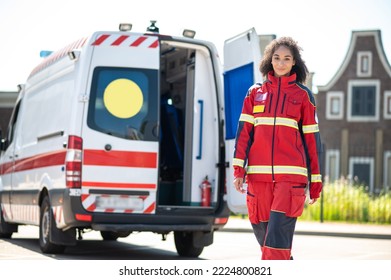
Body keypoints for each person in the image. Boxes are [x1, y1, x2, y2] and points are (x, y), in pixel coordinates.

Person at [232, 36, 322, 260]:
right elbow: (243, 134)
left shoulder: (303, 96)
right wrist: (238, 170)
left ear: (294, 63)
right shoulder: (254, 93)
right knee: (267, 243)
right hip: (258, 179)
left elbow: (312, 141)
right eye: (277, 58)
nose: (281, 63)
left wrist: (316, 180)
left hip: (290, 179)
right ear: (269, 61)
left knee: (277, 245)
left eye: (286, 59)